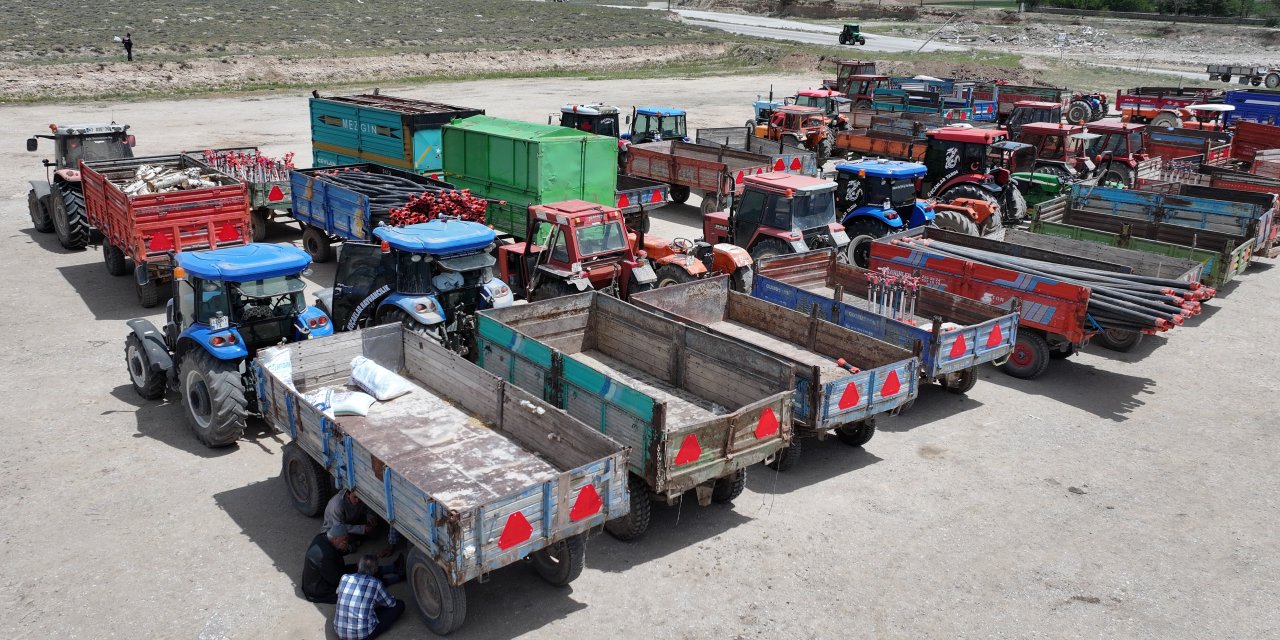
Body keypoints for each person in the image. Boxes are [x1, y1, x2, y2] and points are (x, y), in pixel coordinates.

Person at [334, 555, 405, 640]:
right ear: (375, 570)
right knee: (400, 604)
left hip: (340, 631)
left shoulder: (344, 578)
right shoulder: (375, 583)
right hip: (364, 635)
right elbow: (391, 604)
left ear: (358, 565)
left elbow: (339, 593)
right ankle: (400, 575)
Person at [301, 524, 355, 604]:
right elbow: (336, 580)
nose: (345, 542)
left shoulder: (321, 537)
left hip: (315, 578)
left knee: (354, 568)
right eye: (344, 539)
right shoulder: (327, 555)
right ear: (335, 539)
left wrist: (344, 549)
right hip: (317, 590)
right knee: (352, 593)